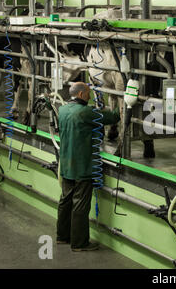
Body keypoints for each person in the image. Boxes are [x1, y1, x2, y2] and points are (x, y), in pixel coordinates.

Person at [56, 82, 120, 252]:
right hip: (83, 165)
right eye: (89, 93)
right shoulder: (86, 112)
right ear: (82, 94)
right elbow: (112, 118)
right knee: (80, 204)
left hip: (66, 164)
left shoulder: (62, 110)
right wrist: (124, 102)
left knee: (65, 200)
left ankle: (62, 236)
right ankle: (79, 243)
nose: (90, 96)